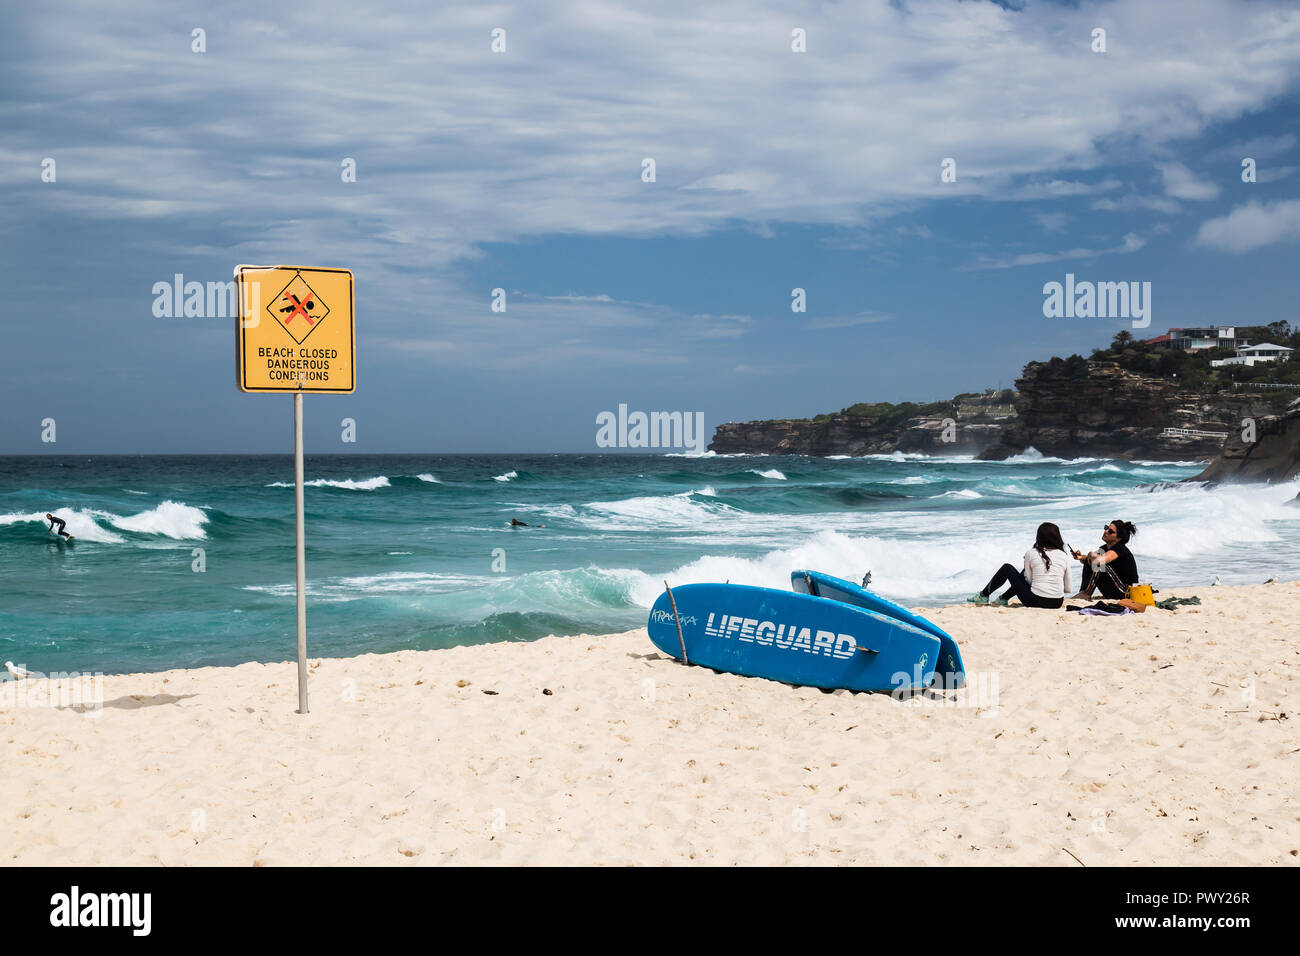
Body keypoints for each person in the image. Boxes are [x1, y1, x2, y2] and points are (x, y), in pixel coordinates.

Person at [967, 522, 1072, 608]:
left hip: (1035, 601)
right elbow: (1068, 588)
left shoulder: (1031, 553)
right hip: (1057, 603)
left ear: (1039, 537)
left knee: (1007, 568)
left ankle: (984, 595)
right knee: (1024, 574)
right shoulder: (1064, 556)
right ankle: (1002, 599)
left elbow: (1028, 581)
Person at [1070, 519, 1139, 600]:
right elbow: (1090, 560)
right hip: (1113, 591)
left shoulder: (1120, 548)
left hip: (1126, 592)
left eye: (1110, 531)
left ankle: (1086, 593)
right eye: (1106, 527)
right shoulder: (1104, 548)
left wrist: (1090, 555)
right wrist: (1081, 557)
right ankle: (1083, 592)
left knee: (1099, 563)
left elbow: (1098, 561)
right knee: (1094, 561)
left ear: (1118, 538)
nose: (1106, 531)